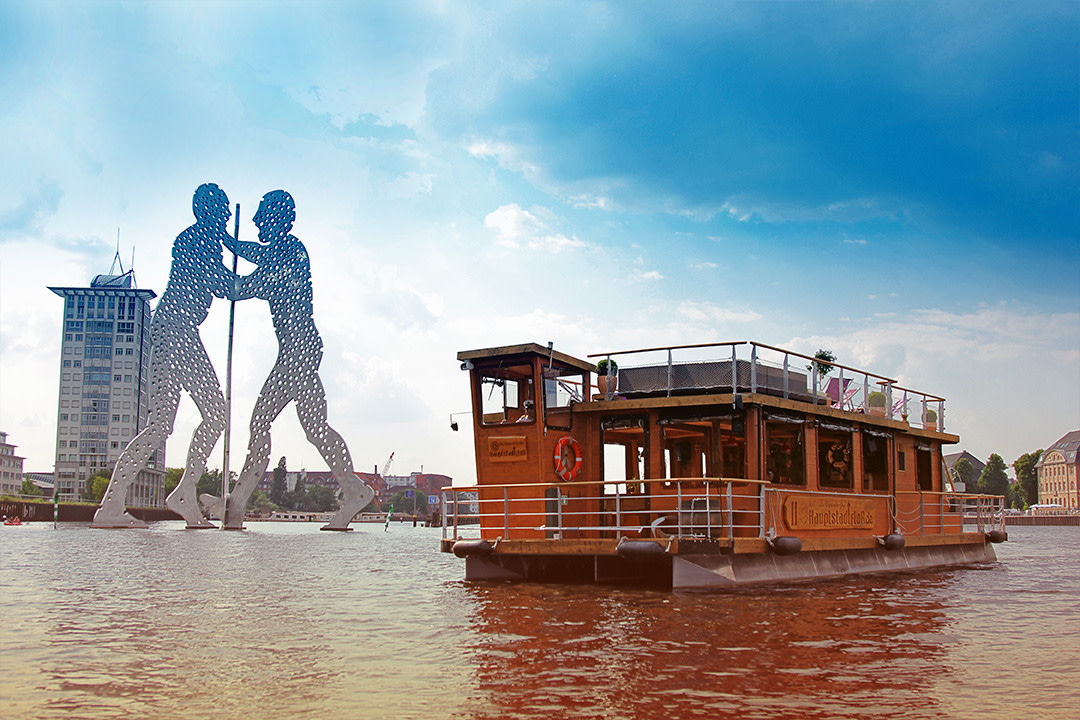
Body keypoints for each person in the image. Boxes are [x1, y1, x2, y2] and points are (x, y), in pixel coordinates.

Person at [220, 190, 373, 530]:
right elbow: (255, 252)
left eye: (262, 216)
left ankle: (238, 503)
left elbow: (239, 288)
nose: (258, 221)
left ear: (276, 219)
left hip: (298, 351)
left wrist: (208, 272)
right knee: (313, 428)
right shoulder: (282, 250)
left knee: (263, 423)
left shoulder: (289, 253)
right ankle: (353, 490)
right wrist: (228, 240)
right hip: (298, 349)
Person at [92, 184, 235, 528]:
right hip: (176, 330)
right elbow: (226, 286)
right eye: (224, 210)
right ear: (209, 211)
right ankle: (174, 495)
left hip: (175, 330)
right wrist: (269, 278)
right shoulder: (196, 240)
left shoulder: (205, 240)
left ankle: (122, 504)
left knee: (165, 426)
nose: (229, 216)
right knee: (211, 416)